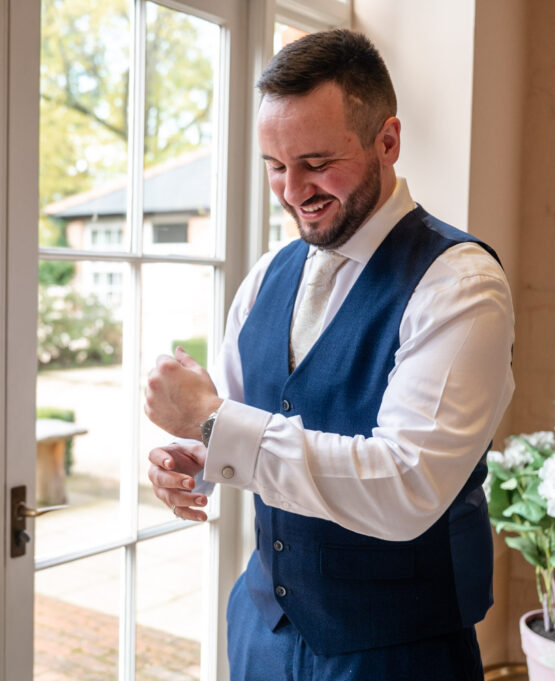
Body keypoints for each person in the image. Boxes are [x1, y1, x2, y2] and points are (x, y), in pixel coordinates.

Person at [143, 29, 514, 681]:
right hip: (262, 629)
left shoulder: (460, 284)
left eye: (316, 162)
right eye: (275, 165)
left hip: (398, 653)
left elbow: (407, 484)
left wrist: (209, 421)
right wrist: (195, 464)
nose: (292, 190)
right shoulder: (267, 275)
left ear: (388, 140)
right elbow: (241, 419)